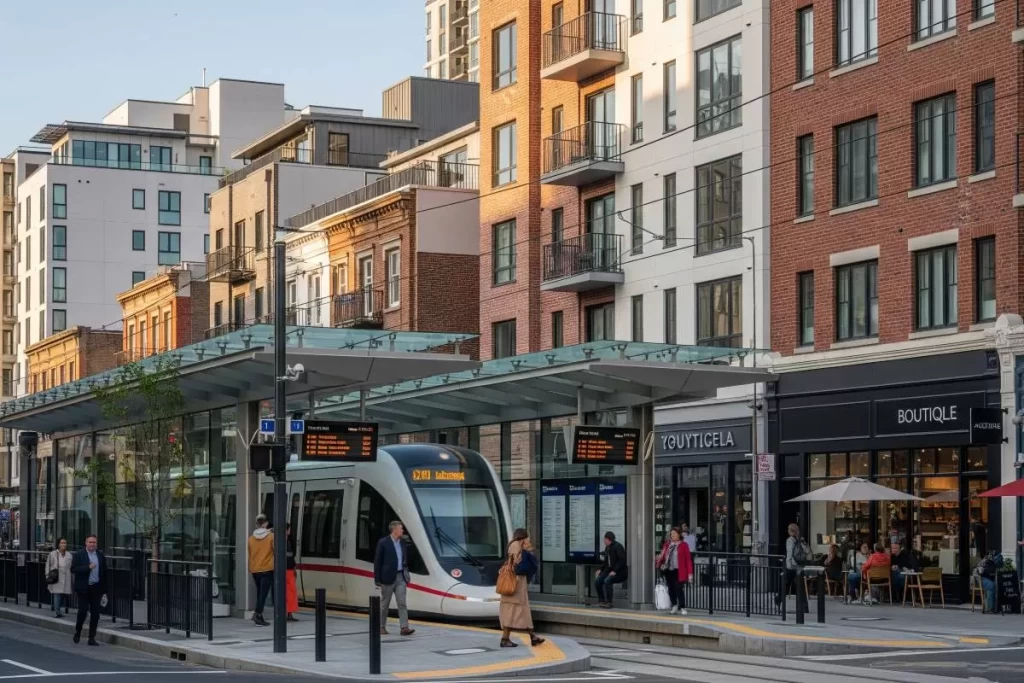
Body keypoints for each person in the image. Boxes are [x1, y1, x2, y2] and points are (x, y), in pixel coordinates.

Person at [499, 529, 544, 648]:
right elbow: (518, 564)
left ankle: (532, 636)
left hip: (518, 584)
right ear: (523, 537)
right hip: (514, 584)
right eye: (527, 537)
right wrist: (527, 552)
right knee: (512, 612)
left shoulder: (517, 545)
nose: (529, 540)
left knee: (524, 612)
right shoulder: (515, 545)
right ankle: (505, 639)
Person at [374, 521, 415, 636]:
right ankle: (381, 626)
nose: (403, 531)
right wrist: (377, 579)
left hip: (400, 576)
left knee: (402, 602)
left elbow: (405, 558)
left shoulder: (402, 542)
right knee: (385, 603)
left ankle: (404, 627)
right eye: (401, 529)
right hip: (387, 577)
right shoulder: (383, 542)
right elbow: (378, 562)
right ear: (394, 530)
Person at [70, 534, 106, 646]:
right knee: (83, 611)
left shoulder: (100, 556)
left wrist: (105, 591)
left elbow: (105, 573)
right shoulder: (79, 554)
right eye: (90, 542)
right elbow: (73, 569)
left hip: (96, 587)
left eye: (94, 542)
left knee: (95, 613)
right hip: (83, 587)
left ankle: (91, 637)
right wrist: (87, 568)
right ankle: (78, 631)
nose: (92, 544)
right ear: (86, 543)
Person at [657, 527, 693, 615]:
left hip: (679, 570)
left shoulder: (684, 545)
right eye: (671, 534)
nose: (672, 535)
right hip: (668, 570)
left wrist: (690, 574)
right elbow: (662, 555)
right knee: (671, 588)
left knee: (679, 588)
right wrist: (658, 562)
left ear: (679, 534)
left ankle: (683, 607)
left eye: (674, 534)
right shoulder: (667, 544)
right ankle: (674, 605)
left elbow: (688, 560)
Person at [247, 514, 274, 627]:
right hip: (267, 568)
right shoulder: (271, 536)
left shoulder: (251, 538)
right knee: (263, 593)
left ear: (257, 524)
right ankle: (257, 614)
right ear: (266, 523)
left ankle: (259, 615)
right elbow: (275, 550)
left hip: (255, 569)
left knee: (260, 592)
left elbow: (250, 553)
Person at [594, 531, 627, 608]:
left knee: (607, 581)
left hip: (620, 572)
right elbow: (605, 562)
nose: (604, 541)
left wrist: (615, 571)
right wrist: (600, 570)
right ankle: (601, 600)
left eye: (605, 539)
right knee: (597, 581)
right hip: (610, 571)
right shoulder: (607, 548)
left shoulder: (618, 546)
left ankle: (609, 602)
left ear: (608, 539)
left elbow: (622, 560)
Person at [784, 523, 809, 614]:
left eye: (789, 529)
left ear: (791, 531)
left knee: (787, 585)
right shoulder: (800, 540)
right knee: (799, 586)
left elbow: (790, 553)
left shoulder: (790, 540)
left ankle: (778, 600)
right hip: (799, 566)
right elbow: (807, 551)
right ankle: (804, 606)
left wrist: (790, 564)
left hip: (792, 566)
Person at [46, 537, 72, 618]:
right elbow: (48, 565)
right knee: (57, 594)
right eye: (62, 543)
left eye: (65, 543)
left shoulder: (69, 555)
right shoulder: (53, 554)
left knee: (64, 594)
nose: (64, 544)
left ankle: (58, 608)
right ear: (58, 544)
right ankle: (57, 611)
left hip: (66, 576)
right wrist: (47, 575)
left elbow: (70, 566)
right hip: (56, 576)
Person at [285, 523, 299, 622]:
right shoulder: (284, 542)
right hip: (286, 570)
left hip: (289, 570)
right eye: (289, 529)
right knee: (289, 592)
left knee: (291, 592)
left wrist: (294, 568)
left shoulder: (288, 542)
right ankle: (288, 613)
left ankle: (289, 613)